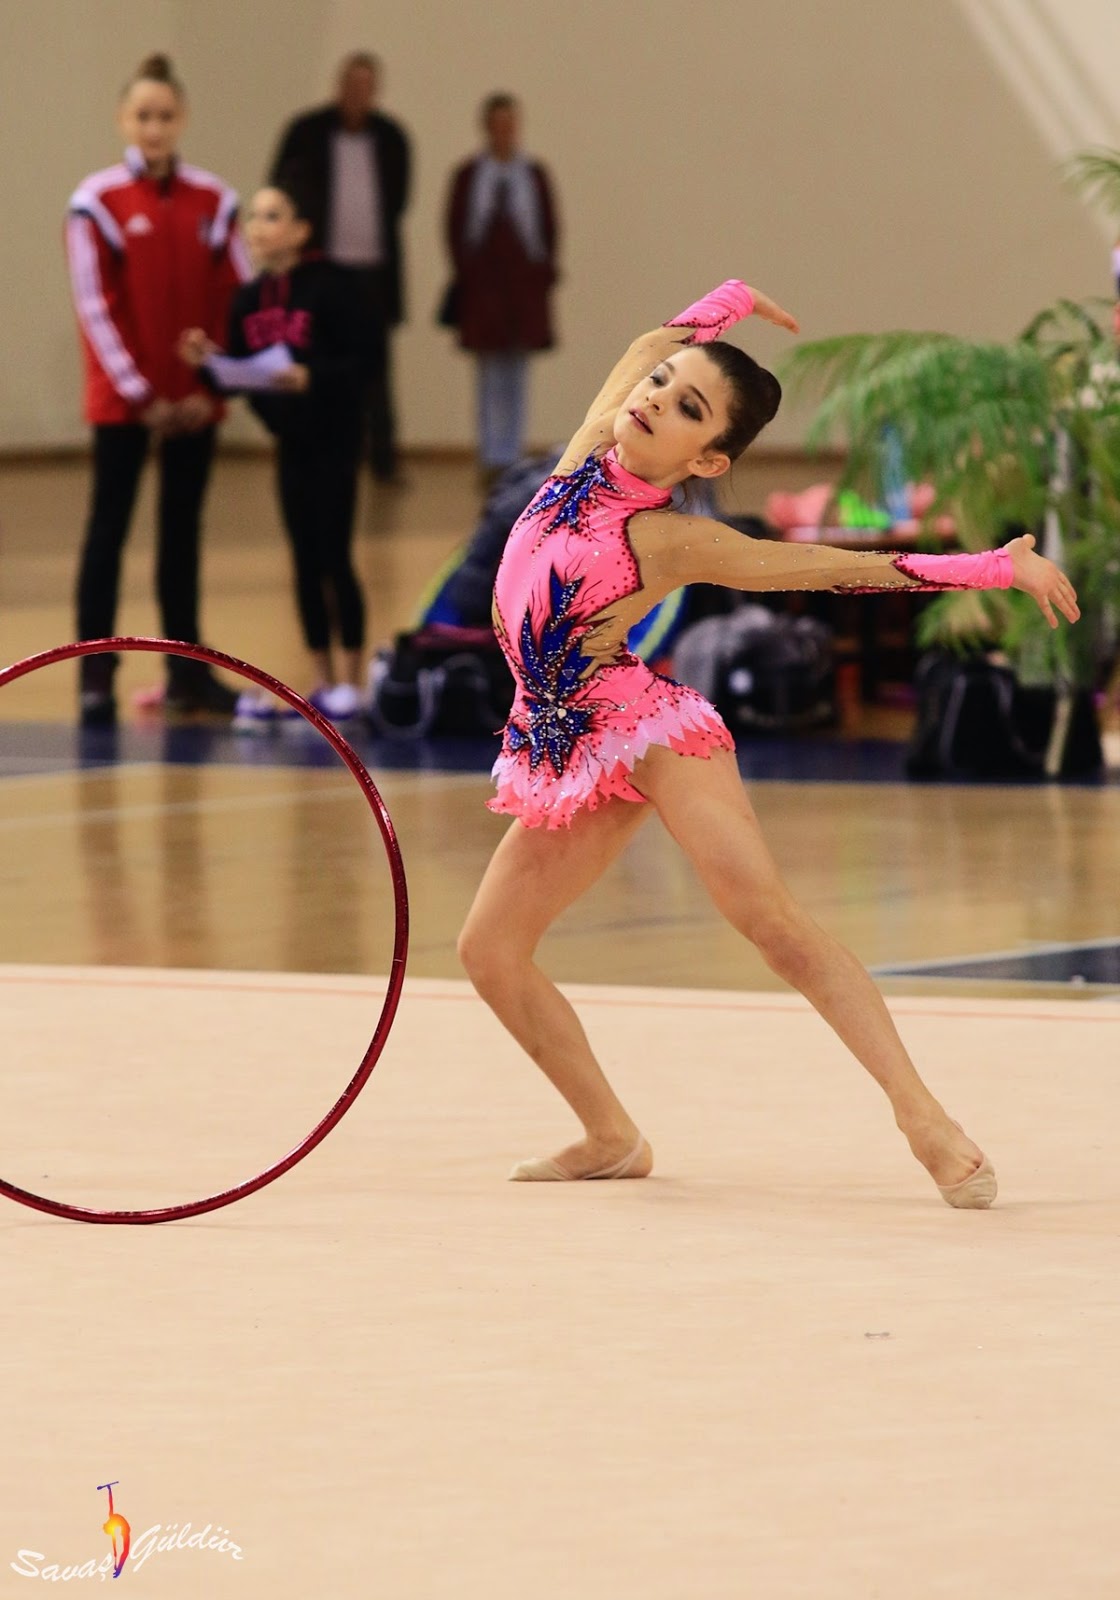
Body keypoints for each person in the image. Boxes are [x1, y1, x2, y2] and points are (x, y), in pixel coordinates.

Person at [457, 279, 1080, 1205]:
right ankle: (610, 1136)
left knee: (772, 925)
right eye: (662, 387)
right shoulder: (586, 451)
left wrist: (991, 567)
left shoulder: (668, 539)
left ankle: (926, 1122)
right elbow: (647, 342)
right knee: (489, 950)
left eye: (687, 409)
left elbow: (832, 569)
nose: (654, 400)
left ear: (707, 460)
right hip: (566, 745)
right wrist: (729, 301)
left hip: (648, 732)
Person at [65, 52, 250, 725]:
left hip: (195, 403)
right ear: (124, 119)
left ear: (182, 119)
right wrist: (141, 395)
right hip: (125, 406)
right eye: (143, 115)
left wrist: (213, 386)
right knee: (107, 532)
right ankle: (95, 674)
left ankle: (186, 673)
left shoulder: (215, 201)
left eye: (165, 115)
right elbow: (95, 306)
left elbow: (237, 298)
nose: (154, 127)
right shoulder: (95, 203)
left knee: (182, 538)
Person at [179, 183, 370, 725]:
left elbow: (363, 364)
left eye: (271, 216)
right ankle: (323, 678)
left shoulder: (334, 287)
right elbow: (239, 376)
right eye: (253, 218)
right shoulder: (247, 299)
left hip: (335, 439)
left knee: (335, 556)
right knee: (304, 560)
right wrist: (207, 363)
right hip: (291, 445)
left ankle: (354, 680)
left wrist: (312, 377)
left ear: (301, 229)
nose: (257, 229)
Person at [269, 52, 410, 483]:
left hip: (373, 273)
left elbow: (399, 200)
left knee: (374, 370)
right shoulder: (306, 132)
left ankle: (383, 460)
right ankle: (315, 450)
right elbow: (281, 191)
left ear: (375, 91)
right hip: (321, 269)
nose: (357, 94)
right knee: (316, 359)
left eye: (365, 86)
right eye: (351, 84)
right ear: (338, 86)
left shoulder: (391, 138)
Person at [445, 94, 558, 486]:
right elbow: (456, 229)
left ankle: (512, 454)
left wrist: (540, 277)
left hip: (522, 285)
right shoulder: (469, 175)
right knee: (488, 371)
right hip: (485, 285)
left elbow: (547, 230)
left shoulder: (533, 174)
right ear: (486, 127)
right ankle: (490, 454)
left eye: (510, 123)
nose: (504, 131)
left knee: (517, 370)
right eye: (498, 123)